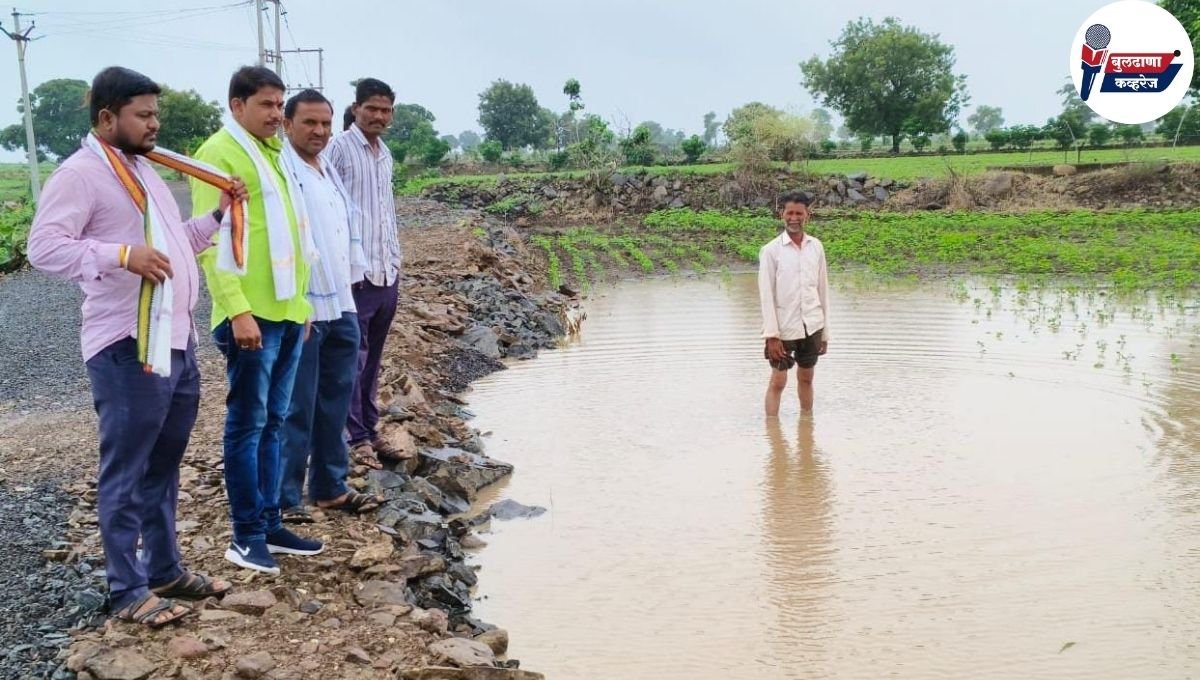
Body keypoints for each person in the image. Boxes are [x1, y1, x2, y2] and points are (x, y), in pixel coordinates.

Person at [28, 66, 243, 626]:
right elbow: (44, 248)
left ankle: (166, 569)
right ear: (107, 118)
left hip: (176, 339)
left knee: (164, 464)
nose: (154, 125)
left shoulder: (143, 171)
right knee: (125, 469)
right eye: (143, 115)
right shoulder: (81, 175)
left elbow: (175, 246)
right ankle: (127, 589)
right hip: (127, 344)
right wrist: (121, 256)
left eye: (155, 114)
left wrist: (217, 215)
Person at [191, 66, 323, 575]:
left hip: (288, 311)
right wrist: (238, 309)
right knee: (247, 425)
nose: (275, 114)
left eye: (278, 104)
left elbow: (291, 235)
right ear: (237, 105)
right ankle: (246, 536)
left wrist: (304, 306)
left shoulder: (275, 156)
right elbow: (211, 245)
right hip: (251, 316)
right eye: (266, 105)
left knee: (273, 423)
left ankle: (270, 523)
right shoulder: (218, 155)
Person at [277, 89, 384, 523]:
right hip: (303, 302)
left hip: (341, 296)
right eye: (309, 123)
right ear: (288, 125)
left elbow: (345, 223)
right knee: (298, 403)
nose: (319, 131)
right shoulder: (282, 169)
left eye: (324, 123)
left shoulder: (324, 170)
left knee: (336, 397)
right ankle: (286, 496)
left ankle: (329, 486)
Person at [326, 77, 405, 468]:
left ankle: (369, 430)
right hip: (354, 274)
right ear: (355, 108)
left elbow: (383, 213)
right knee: (351, 359)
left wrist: (395, 260)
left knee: (373, 359)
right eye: (371, 108)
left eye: (385, 110)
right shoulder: (337, 150)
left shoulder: (385, 154)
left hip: (386, 271)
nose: (378, 116)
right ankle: (356, 439)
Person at [758, 191, 830, 417]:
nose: (794, 218)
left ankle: (806, 427)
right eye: (790, 213)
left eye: (799, 213)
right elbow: (766, 295)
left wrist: (825, 333)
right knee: (778, 382)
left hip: (812, 325)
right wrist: (772, 335)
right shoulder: (771, 251)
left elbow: (822, 290)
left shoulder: (816, 247)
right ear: (782, 214)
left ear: (808, 215)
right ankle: (772, 431)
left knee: (807, 378)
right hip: (783, 328)